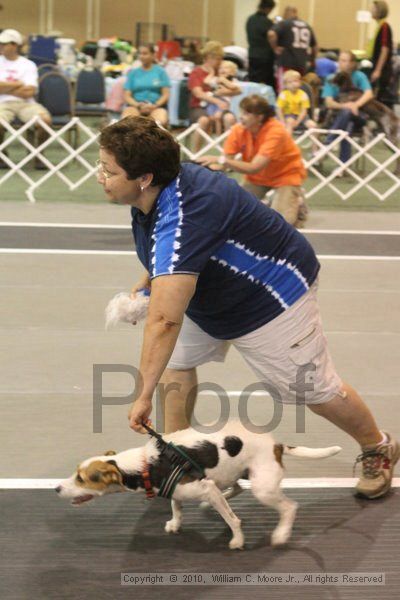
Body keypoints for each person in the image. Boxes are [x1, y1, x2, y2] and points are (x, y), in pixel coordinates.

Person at [96, 115, 399, 501]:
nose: (100, 176)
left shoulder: (184, 216)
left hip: (271, 295)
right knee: (175, 363)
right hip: (211, 290)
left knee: (312, 389)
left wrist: (142, 397)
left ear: (144, 178)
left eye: (108, 170)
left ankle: (377, 444)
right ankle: (181, 459)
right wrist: (151, 277)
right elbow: (171, 253)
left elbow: (165, 318)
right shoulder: (158, 189)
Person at [197, 94, 307, 228]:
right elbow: (224, 164)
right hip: (257, 178)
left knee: (283, 224)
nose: (241, 116)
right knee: (234, 211)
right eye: (242, 112)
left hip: (286, 174)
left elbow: (254, 167)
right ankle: (273, 204)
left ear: (259, 117)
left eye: (247, 113)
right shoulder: (238, 130)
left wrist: (221, 160)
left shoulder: (276, 132)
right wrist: (201, 168)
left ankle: (297, 204)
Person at [0, 28, 51, 169]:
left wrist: (5, 87)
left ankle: (38, 155)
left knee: (45, 121)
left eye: (4, 44)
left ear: (15, 45)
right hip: (2, 103)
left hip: (26, 104)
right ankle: (1, 154)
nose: (1, 46)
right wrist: (18, 84)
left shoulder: (28, 65)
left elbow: (29, 92)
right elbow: (24, 88)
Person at [322, 51, 373, 164]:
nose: (340, 63)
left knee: (347, 114)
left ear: (352, 63)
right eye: (340, 60)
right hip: (337, 117)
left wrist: (356, 105)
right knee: (347, 123)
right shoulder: (331, 78)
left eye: (344, 60)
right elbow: (328, 103)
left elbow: (369, 93)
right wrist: (346, 106)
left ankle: (328, 143)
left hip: (359, 116)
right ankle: (343, 166)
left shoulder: (360, 76)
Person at [187, 41, 227, 152]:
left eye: (220, 58)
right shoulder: (196, 72)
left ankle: (228, 154)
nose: (220, 61)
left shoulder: (222, 72)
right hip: (199, 107)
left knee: (229, 118)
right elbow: (198, 93)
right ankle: (195, 153)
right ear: (208, 57)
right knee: (203, 120)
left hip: (217, 108)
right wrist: (217, 101)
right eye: (217, 58)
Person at [268, 6, 318, 91]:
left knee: (283, 89)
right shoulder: (307, 26)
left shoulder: (284, 23)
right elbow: (315, 46)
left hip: (286, 62)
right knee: (298, 90)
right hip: (301, 63)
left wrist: (275, 48)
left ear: (286, 13)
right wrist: (312, 60)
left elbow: (271, 34)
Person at [122, 44, 170, 126]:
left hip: (156, 106)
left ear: (153, 55)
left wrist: (155, 105)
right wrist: (138, 105)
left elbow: (165, 94)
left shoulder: (161, 72)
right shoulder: (133, 73)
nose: (142, 56)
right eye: (140, 53)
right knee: (128, 122)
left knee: (159, 122)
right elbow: (127, 95)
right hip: (136, 106)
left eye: (145, 53)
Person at [368, 1, 394, 107]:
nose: (371, 10)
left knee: (381, 100)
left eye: (373, 8)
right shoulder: (379, 26)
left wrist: (378, 70)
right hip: (377, 66)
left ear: (379, 10)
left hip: (383, 69)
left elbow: (384, 49)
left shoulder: (384, 27)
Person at [204, 60, 241, 135]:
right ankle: (212, 137)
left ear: (232, 72)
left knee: (218, 116)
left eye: (226, 68)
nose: (222, 69)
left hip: (226, 104)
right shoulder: (217, 79)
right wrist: (212, 73)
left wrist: (223, 80)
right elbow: (206, 81)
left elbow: (234, 87)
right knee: (211, 118)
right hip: (214, 103)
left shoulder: (234, 81)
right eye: (220, 68)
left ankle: (219, 137)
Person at [276, 69, 317, 135]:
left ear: (300, 82)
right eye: (290, 82)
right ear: (285, 85)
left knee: (313, 125)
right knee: (290, 122)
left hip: (301, 116)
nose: (293, 84)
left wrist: (297, 122)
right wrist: (282, 121)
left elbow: (304, 111)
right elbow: (279, 109)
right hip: (287, 115)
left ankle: (315, 145)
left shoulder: (303, 95)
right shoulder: (283, 94)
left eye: (295, 81)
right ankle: (288, 143)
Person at [246, 0, 276, 88]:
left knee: (253, 81)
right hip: (265, 57)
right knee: (267, 82)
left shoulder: (250, 19)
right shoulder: (267, 22)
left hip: (252, 54)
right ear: (268, 9)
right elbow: (272, 36)